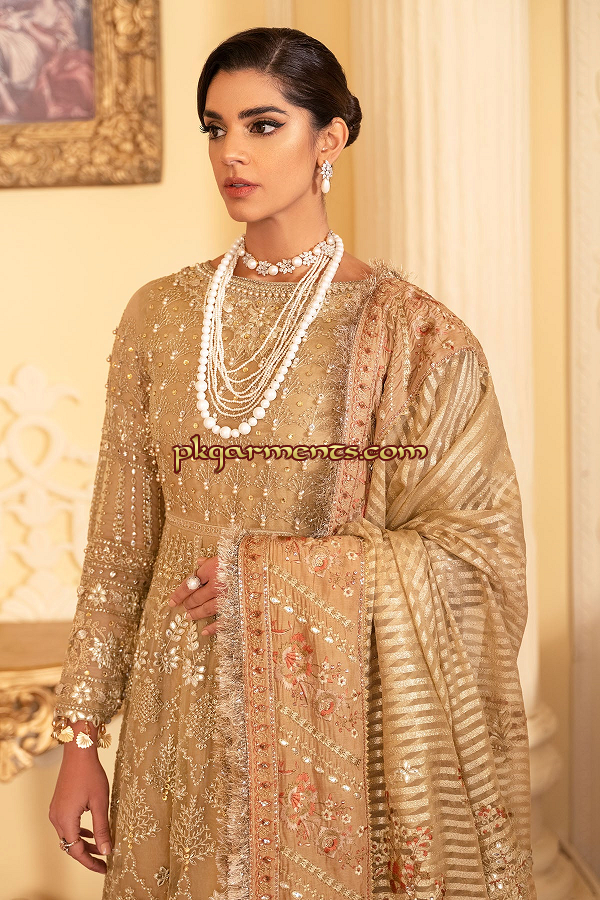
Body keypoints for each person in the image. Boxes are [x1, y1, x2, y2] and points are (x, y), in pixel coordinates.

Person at [49, 26, 536, 900]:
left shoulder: (419, 336)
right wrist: (80, 738)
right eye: (215, 128)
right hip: (174, 714)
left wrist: (268, 582)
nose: (230, 152)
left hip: (327, 728)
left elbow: (479, 559)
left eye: (263, 125)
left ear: (330, 138)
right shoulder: (159, 317)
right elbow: (121, 548)